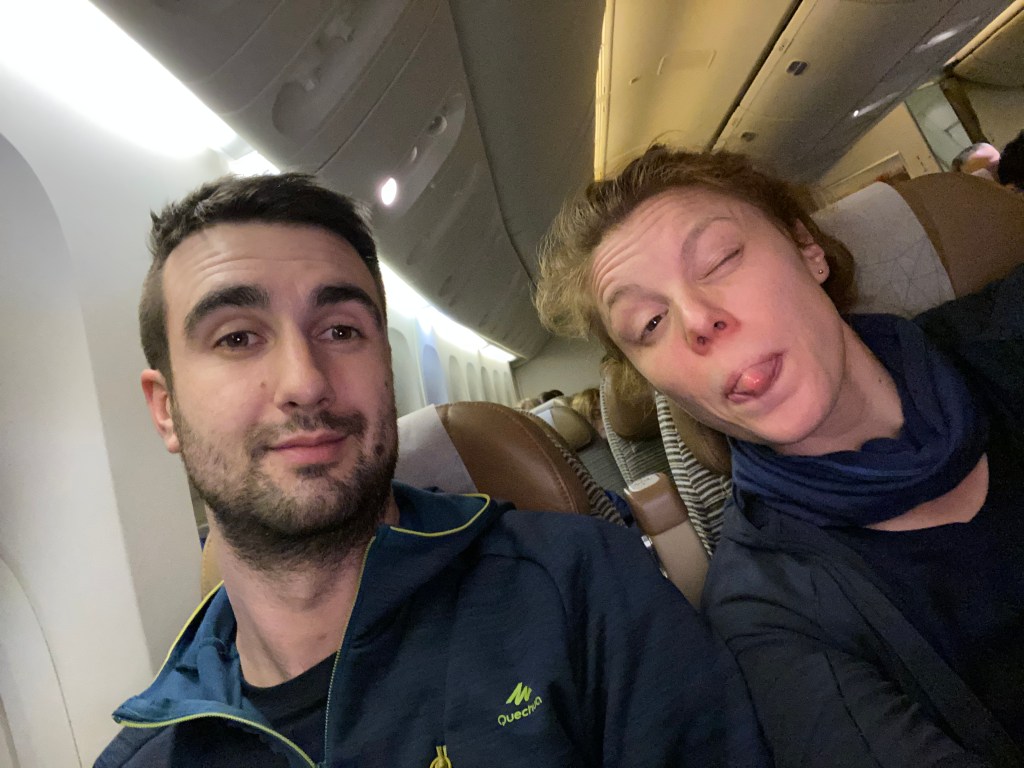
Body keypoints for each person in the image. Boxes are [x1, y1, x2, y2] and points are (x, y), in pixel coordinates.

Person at [96, 172, 769, 768]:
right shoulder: (150, 756)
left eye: (341, 331)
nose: (304, 382)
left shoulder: (582, 588)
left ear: (386, 369)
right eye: (237, 338)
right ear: (165, 410)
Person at [535, 145, 1024, 767]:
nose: (698, 321)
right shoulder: (765, 617)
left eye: (721, 259)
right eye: (650, 323)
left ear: (808, 250)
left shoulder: (1008, 332)